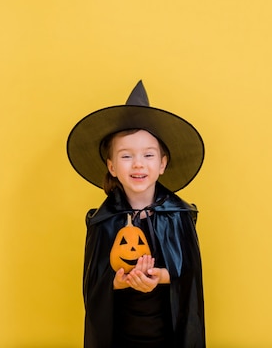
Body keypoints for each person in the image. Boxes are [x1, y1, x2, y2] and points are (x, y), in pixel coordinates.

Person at [66, 80, 206, 347]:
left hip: (167, 337)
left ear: (163, 163)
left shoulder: (178, 215)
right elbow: (93, 288)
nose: (139, 163)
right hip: (121, 337)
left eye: (148, 155)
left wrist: (161, 277)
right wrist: (119, 283)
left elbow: (190, 280)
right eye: (126, 156)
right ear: (112, 166)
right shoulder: (102, 221)